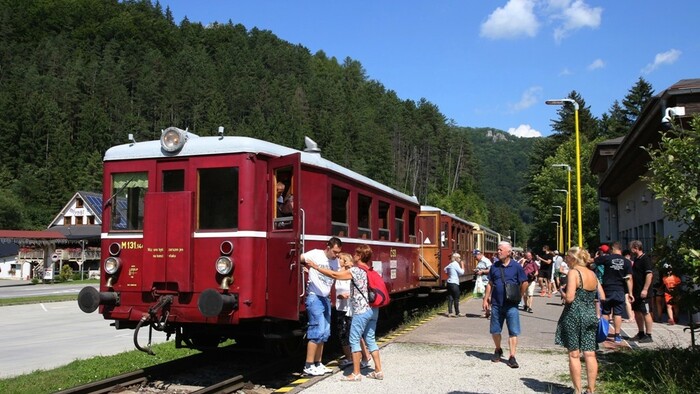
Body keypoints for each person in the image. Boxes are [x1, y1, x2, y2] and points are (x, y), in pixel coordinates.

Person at [304, 244, 384, 381]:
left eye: (356, 254)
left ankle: (356, 373)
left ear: (359, 256)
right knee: (370, 339)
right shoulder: (370, 270)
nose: (354, 255)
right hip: (373, 310)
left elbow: (335, 274)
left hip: (361, 310)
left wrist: (316, 267)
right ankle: (378, 371)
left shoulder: (356, 271)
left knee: (353, 340)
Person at [555, 246, 605, 394]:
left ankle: (577, 390)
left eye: (567, 258)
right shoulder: (592, 274)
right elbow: (602, 295)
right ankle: (591, 389)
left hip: (574, 315)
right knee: (590, 353)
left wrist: (562, 291)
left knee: (574, 354)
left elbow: (570, 298)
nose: (566, 261)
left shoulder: (573, 273)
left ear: (573, 259)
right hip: (590, 315)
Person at [299, 237, 342, 376]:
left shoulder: (335, 261)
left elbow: (337, 275)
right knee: (316, 331)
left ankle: (318, 363)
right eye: (334, 251)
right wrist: (302, 266)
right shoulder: (315, 254)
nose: (336, 255)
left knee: (324, 332)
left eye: (338, 252)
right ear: (328, 247)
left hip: (326, 298)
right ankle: (308, 365)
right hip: (314, 296)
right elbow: (299, 257)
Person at [482, 241, 528, 368]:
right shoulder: (495, 266)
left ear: (509, 252)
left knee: (513, 331)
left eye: (500, 249)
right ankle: (498, 349)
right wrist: (486, 299)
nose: (498, 251)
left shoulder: (516, 267)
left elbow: (524, 282)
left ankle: (512, 356)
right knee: (495, 330)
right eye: (498, 249)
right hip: (496, 303)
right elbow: (490, 283)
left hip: (511, 305)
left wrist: (519, 295)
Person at [335, 253, 372, 369]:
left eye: (340, 258)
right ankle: (348, 357)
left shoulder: (352, 273)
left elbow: (358, 289)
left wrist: (348, 296)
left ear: (345, 261)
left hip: (351, 308)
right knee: (342, 333)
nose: (338, 260)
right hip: (340, 307)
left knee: (356, 333)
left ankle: (366, 356)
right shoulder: (337, 272)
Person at [596, 242, 633, 343]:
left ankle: (603, 333)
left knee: (605, 312)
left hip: (607, 289)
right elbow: (629, 278)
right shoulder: (627, 262)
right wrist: (630, 293)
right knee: (618, 313)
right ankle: (617, 335)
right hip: (620, 289)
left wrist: (596, 257)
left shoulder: (607, 258)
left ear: (612, 249)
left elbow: (593, 261)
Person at [630, 240, 654, 343]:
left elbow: (649, 274)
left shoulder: (645, 259)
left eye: (632, 248)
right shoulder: (637, 259)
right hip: (636, 291)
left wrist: (645, 289)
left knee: (645, 312)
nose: (631, 250)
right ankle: (641, 332)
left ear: (636, 247)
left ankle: (648, 335)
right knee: (637, 312)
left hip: (643, 292)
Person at [444, 253, 465, 317]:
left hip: (449, 282)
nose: (460, 259)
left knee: (450, 298)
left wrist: (449, 274)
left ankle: (450, 312)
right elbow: (462, 272)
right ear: (456, 258)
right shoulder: (456, 264)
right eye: (459, 258)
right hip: (454, 283)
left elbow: (445, 269)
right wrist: (462, 265)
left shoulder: (450, 264)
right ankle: (457, 312)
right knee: (456, 298)